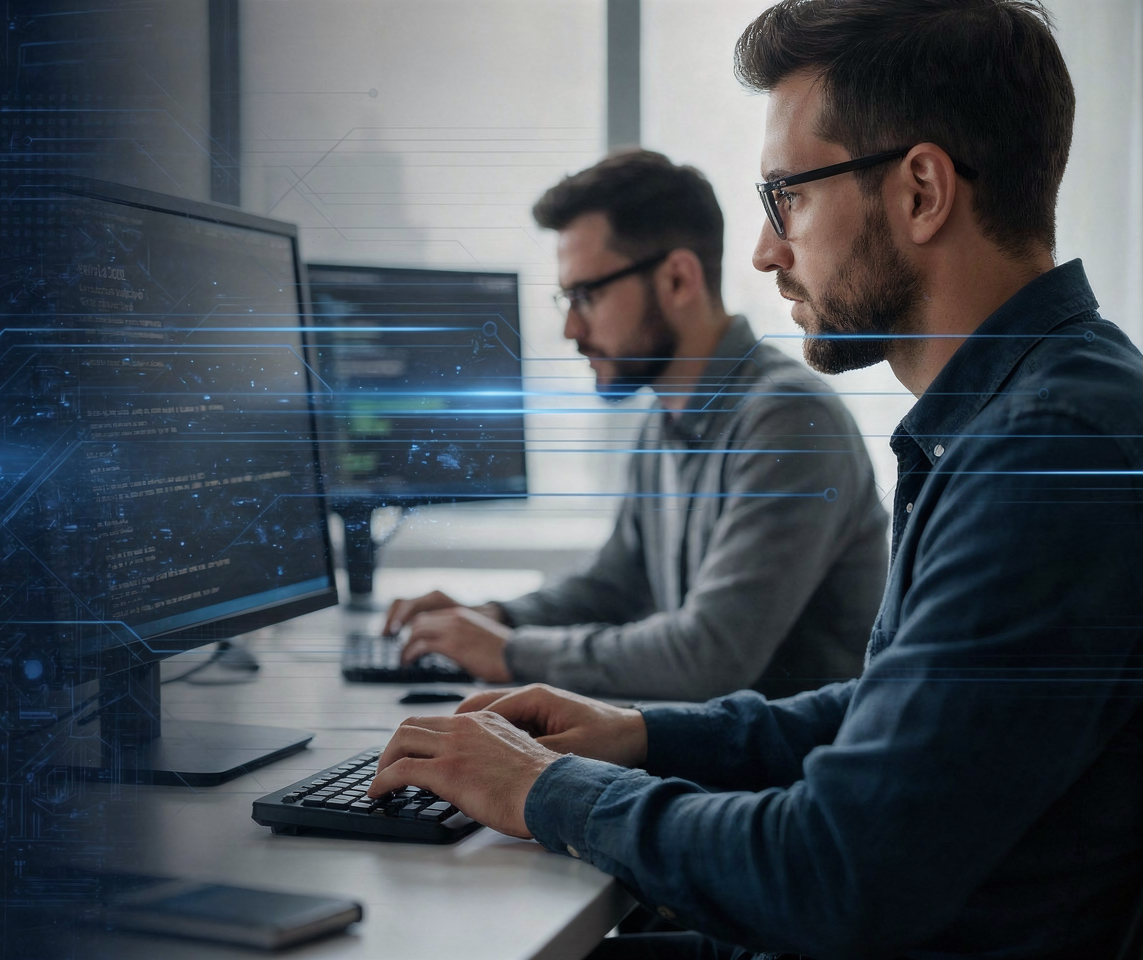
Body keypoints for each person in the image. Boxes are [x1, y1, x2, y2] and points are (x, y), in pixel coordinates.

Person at [366, 1, 1143, 957]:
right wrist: (641, 733)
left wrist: (542, 788)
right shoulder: (1012, 417)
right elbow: (887, 707)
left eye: (790, 198)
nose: (768, 250)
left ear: (922, 192)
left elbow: (835, 869)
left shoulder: (1048, 449)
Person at [383, 151, 887, 701]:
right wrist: (491, 617)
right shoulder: (666, 416)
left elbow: (707, 656)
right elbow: (616, 582)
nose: (571, 328)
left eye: (586, 296)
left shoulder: (790, 422)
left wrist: (505, 651)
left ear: (677, 279)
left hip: (780, 778)